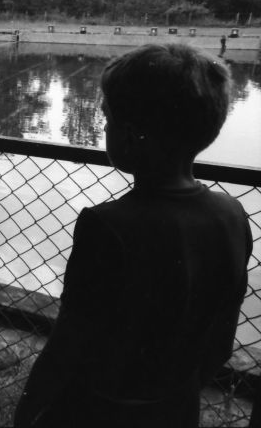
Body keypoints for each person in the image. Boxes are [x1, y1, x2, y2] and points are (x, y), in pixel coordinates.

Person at [13, 43, 252, 428]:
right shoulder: (233, 214)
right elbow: (220, 341)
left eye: (107, 118)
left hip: (96, 410)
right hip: (176, 407)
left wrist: (27, 411)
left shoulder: (107, 225)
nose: (105, 127)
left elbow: (68, 344)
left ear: (129, 135)